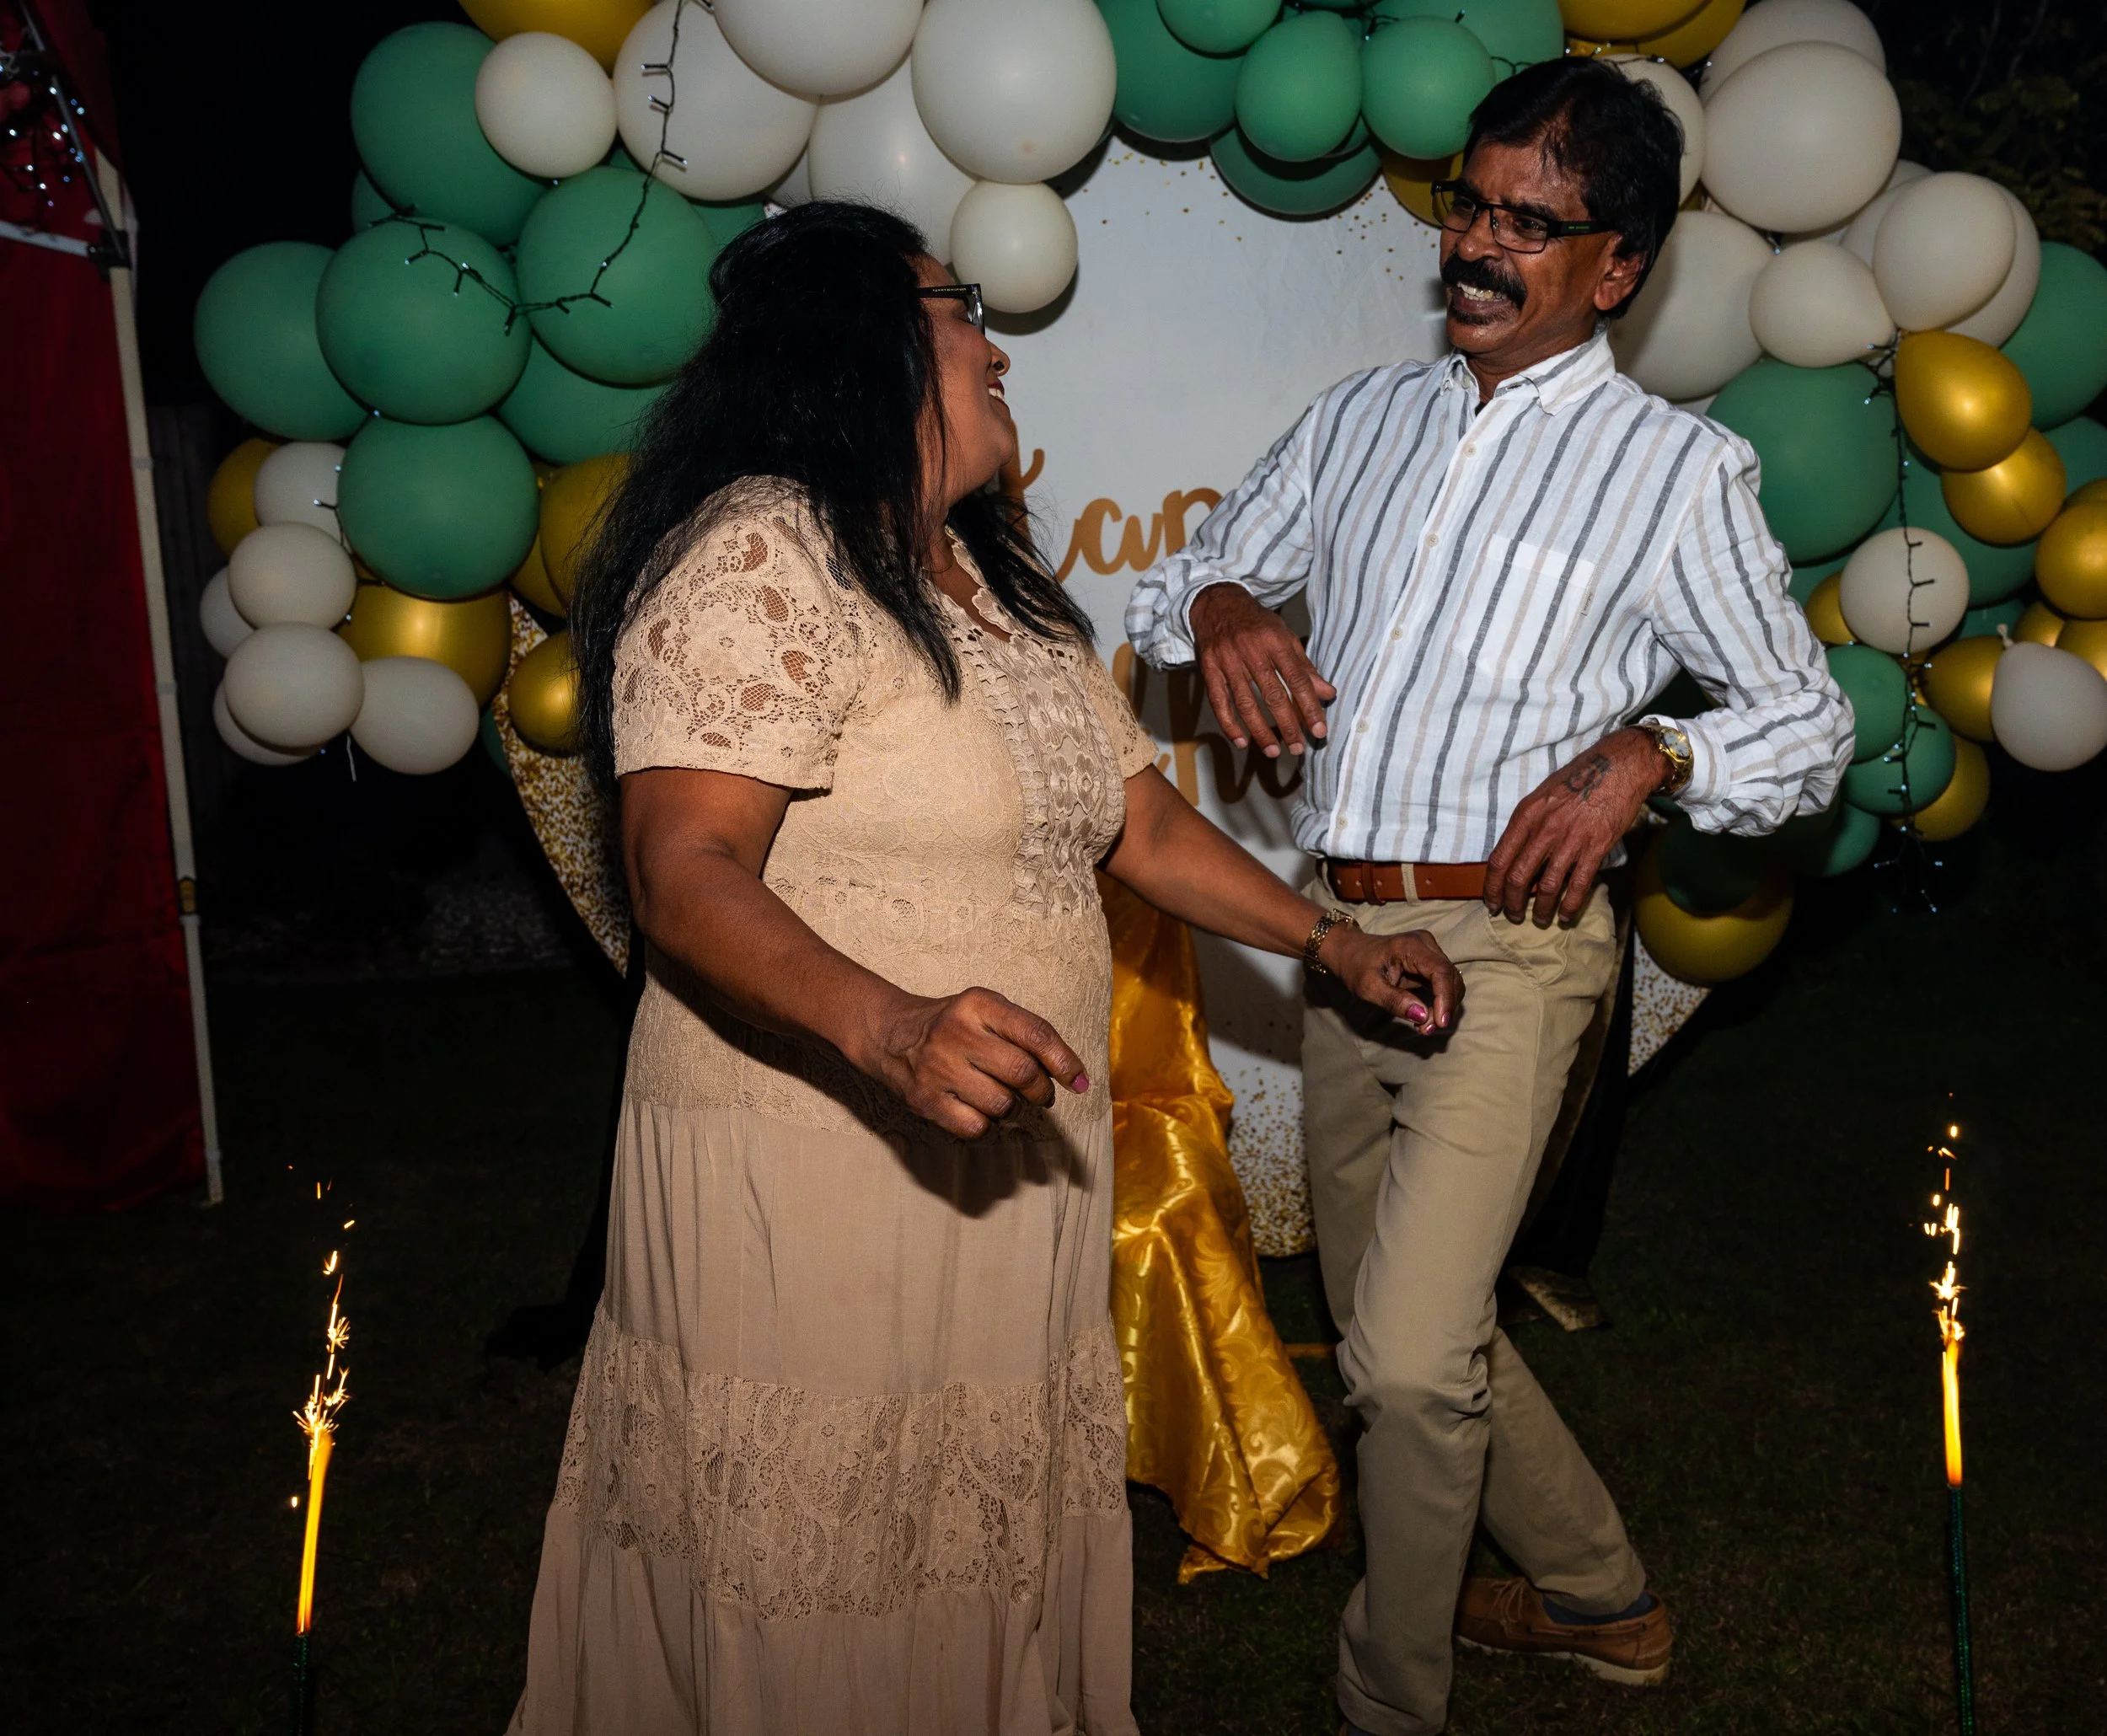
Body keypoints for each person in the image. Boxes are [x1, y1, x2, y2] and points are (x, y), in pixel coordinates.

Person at [506, 201, 1463, 1736]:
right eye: (961, 311)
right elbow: (682, 869)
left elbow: (1141, 825)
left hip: (1009, 1151)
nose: (998, 347)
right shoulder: (760, 554)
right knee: (821, 1535)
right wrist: (887, 1030)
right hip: (814, 1148)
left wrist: (1331, 941)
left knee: (966, 1508)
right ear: (861, 345)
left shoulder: (987, 583)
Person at [1126, 57, 1852, 1736]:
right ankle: (1601, 1595)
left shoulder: (1671, 473)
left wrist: (1649, 759)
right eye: (1469, 205)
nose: (1474, 245)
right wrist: (1226, 604)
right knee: (1410, 1323)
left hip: (1514, 949)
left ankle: (1389, 1697)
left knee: (1398, 1358)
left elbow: (1807, 725)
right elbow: (1185, 581)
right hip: (1348, 941)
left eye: (1530, 225)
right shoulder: (1361, 420)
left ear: (1616, 267)